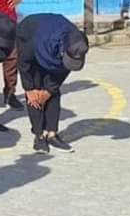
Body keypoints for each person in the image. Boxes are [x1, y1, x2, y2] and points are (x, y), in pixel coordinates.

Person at [16, 14, 89, 153]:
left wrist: (49, 90)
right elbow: (24, 62)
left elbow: (65, 69)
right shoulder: (39, 41)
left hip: (50, 38)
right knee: (36, 89)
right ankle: (39, 136)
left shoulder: (77, 42)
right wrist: (29, 89)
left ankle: (52, 134)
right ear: (63, 50)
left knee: (52, 91)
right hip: (28, 36)